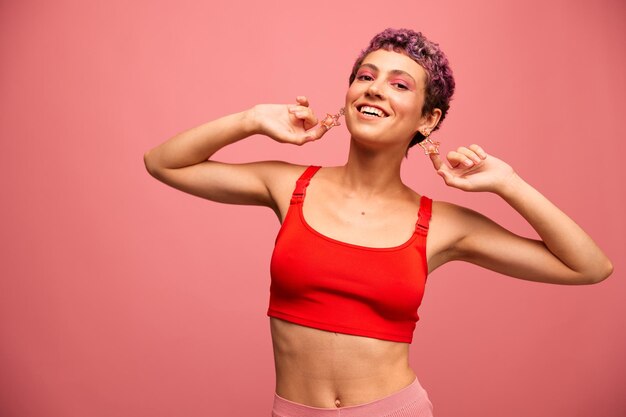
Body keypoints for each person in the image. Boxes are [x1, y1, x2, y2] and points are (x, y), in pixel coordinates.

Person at [143, 28, 613, 417]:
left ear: (428, 120)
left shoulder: (443, 224)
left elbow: (588, 267)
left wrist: (509, 183)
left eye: (399, 83)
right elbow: (164, 163)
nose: (374, 88)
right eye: (365, 76)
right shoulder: (288, 185)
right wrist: (251, 119)